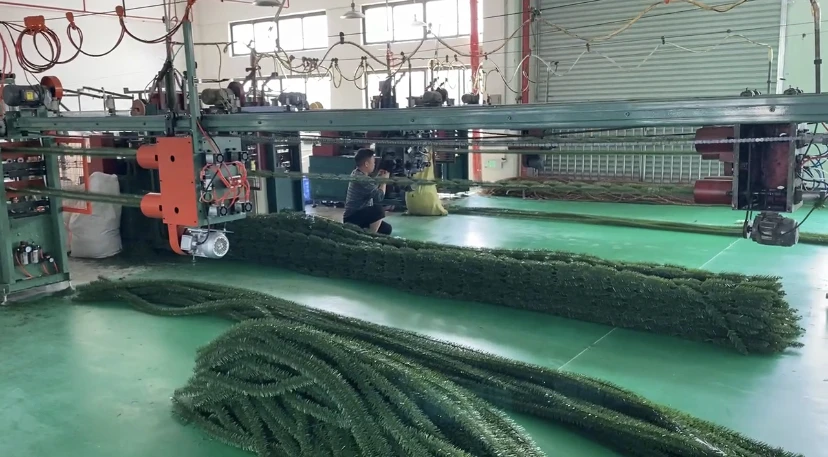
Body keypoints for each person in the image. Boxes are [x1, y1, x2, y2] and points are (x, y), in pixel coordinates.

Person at [343, 148, 393, 235]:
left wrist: (378, 178)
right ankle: (370, 236)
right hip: (352, 218)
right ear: (366, 164)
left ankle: (366, 232)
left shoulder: (356, 173)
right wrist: (384, 181)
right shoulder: (362, 178)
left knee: (386, 229)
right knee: (378, 210)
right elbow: (379, 197)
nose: (374, 164)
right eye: (373, 162)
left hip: (360, 215)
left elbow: (370, 188)